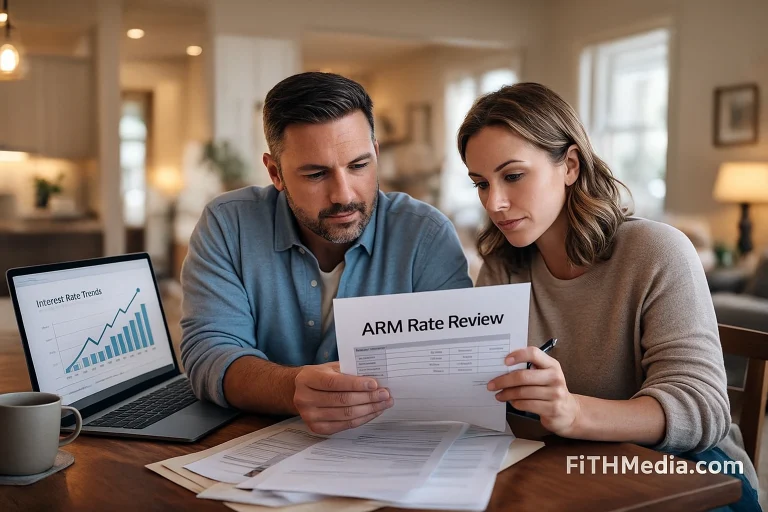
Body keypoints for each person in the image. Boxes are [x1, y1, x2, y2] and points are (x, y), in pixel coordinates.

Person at [461, 82, 760, 509]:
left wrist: (571, 412)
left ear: (569, 165)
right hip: (570, 466)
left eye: (512, 176)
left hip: (691, 472)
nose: (495, 203)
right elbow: (483, 400)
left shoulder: (656, 251)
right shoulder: (502, 266)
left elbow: (702, 411)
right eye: (481, 184)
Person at [181, 72, 472, 435]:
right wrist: (292, 388)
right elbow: (209, 353)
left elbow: (459, 366)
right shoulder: (228, 225)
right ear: (275, 172)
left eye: (359, 166)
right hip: (255, 446)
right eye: (317, 174)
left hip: (394, 444)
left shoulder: (426, 234)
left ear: (376, 154)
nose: (344, 195)